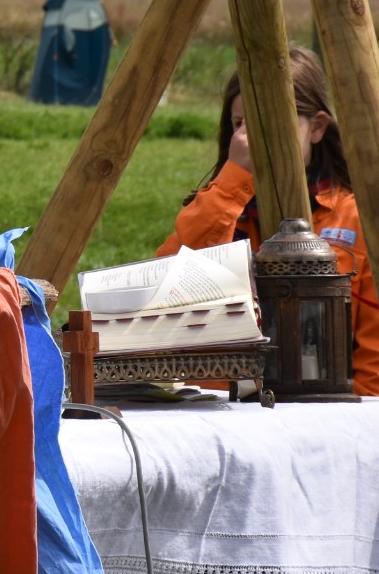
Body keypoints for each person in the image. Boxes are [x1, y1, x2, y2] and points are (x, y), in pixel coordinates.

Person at [157, 45, 379, 396]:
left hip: (327, 410)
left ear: (317, 127)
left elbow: (374, 358)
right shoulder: (219, 205)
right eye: (239, 125)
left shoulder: (356, 217)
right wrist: (232, 183)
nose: (249, 139)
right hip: (222, 407)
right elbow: (167, 283)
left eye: (269, 125)